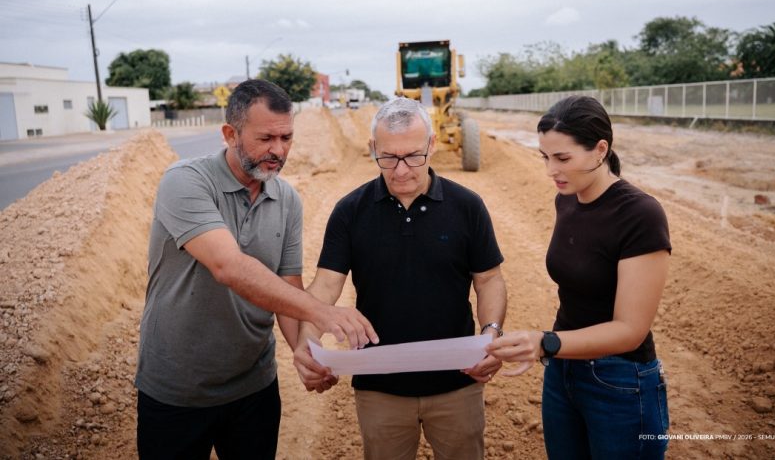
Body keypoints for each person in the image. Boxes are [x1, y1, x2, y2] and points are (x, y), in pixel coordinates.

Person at [135, 79, 377, 460]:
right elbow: (228, 266)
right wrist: (325, 313)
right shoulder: (185, 181)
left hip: (254, 388)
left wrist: (304, 349)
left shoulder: (287, 199)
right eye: (266, 138)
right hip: (177, 389)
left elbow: (288, 288)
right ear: (230, 133)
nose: (278, 151)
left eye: (286, 138)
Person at [293, 97, 508, 460]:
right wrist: (307, 342)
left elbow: (488, 279)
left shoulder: (467, 206)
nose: (402, 170)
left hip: (458, 381)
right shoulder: (350, 211)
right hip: (380, 390)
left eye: (413, 156)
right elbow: (326, 286)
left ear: (432, 145)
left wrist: (491, 333)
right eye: (388, 158)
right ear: (373, 149)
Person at [486, 95, 671, 459]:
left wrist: (546, 342)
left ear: (600, 150)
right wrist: (554, 352)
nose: (550, 170)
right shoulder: (567, 199)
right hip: (563, 374)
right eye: (545, 157)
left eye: (563, 158)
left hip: (618, 381)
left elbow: (630, 330)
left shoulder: (640, 215)